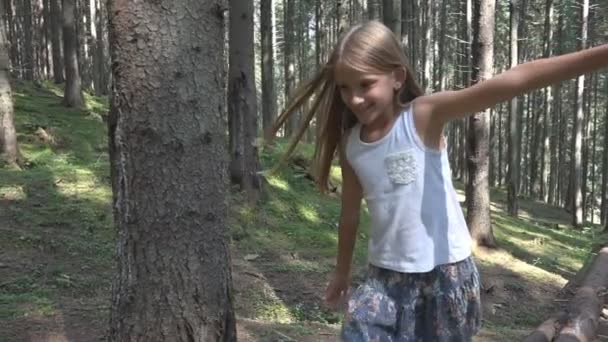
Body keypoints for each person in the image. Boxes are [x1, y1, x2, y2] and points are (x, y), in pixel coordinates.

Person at [266, 20, 608, 341]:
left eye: (366, 84)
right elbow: (350, 215)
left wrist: (599, 55)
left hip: (446, 277)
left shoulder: (422, 118)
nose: (354, 98)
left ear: (397, 77)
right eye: (344, 88)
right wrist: (341, 273)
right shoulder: (352, 143)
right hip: (384, 281)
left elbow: (513, 80)